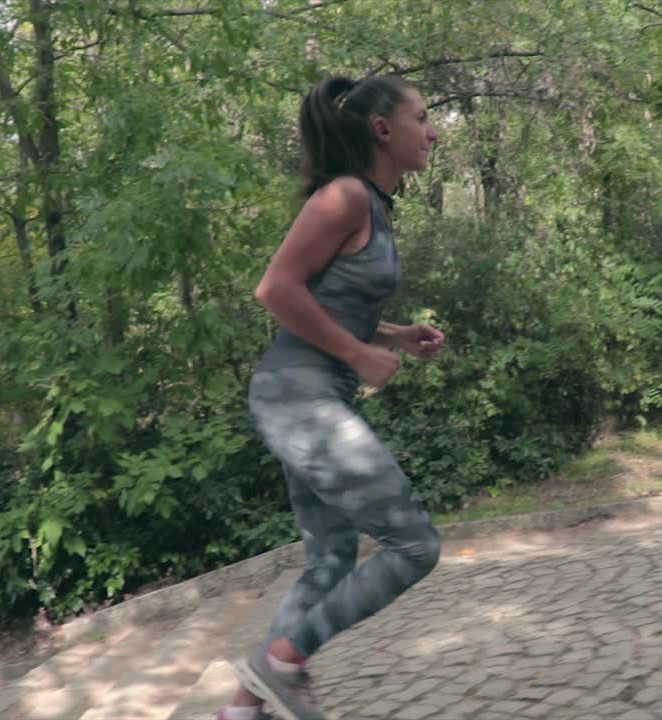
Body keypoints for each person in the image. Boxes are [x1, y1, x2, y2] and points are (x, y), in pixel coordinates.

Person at [216, 74, 444, 720]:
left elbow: (329, 303)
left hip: (309, 401)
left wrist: (396, 337)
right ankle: (281, 664)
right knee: (414, 545)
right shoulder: (344, 197)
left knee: (332, 558)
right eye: (422, 118)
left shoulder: (371, 205)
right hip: (300, 399)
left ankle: (241, 710)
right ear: (382, 130)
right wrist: (359, 356)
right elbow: (277, 290)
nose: (433, 132)